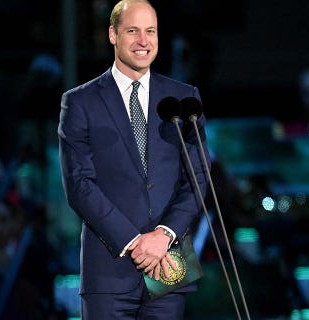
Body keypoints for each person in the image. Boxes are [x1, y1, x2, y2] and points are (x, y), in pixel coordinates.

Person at [57, 1, 209, 319]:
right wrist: (134, 241)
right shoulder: (80, 102)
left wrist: (164, 234)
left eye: (150, 31)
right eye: (133, 31)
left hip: (169, 264)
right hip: (109, 271)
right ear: (113, 34)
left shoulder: (183, 98)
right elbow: (79, 185)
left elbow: (197, 175)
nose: (143, 40)